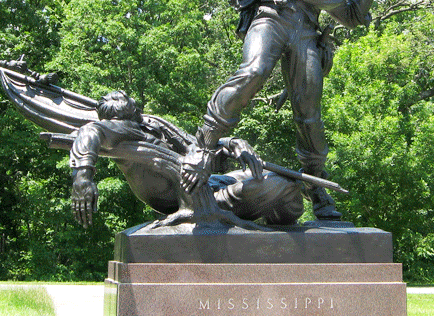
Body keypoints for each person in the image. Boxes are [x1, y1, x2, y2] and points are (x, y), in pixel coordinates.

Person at [184, 0, 389, 219]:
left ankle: (315, 184)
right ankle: (204, 145)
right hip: (272, 17)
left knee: (309, 112)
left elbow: (352, 16)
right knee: (254, 71)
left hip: (305, 30)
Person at [70, 90, 303, 228]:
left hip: (211, 183)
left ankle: (278, 235)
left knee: (276, 175)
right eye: (130, 104)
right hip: (201, 198)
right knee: (286, 186)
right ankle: (281, 238)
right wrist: (82, 177)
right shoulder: (124, 130)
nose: (137, 108)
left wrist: (232, 143)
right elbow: (90, 130)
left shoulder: (148, 125)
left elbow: (196, 146)